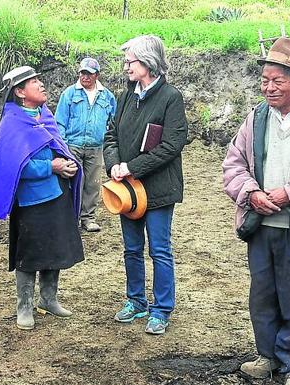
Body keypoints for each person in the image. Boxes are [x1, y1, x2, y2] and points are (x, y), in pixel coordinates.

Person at [223, 37, 290, 385]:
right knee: (263, 294)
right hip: (261, 224)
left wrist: (289, 194)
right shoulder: (256, 118)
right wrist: (251, 193)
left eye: (278, 81)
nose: (269, 88)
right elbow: (233, 165)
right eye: (265, 81)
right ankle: (268, 356)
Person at [0, 65, 84, 331]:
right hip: (30, 202)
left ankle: (49, 299)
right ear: (20, 92)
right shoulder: (12, 123)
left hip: (57, 194)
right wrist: (51, 167)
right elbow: (15, 166)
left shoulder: (45, 116)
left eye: (39, 79)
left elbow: (57, 148)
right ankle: (24, 306)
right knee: (29, 254)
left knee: (55, 248)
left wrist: (67, 164)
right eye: (33, 82)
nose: (41, 84)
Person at [103, 35, 188, 335]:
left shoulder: (170, 98)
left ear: (149, 63)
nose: (126, 66)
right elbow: (110, 135)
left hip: (159, 190)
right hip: (127, 190)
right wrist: (113, 164)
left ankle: (161, 308)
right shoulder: (125, 96)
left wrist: (132, 167)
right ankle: (136, 301)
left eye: (131, 61)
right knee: (131, 248)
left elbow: (171, 145)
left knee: (160, 250)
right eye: (126, 61)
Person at [55, 57, 116, 232]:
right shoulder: (69, 94)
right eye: (83, 73)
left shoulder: (107, 96)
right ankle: (71, 219)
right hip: (73, 146)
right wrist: (63, 146)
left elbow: (114, 122)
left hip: (96, 146)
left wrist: (108, 142)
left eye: (89, 74)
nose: (85, 77)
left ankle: (88, 218)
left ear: (97, 75)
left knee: (92, 184)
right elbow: (60, 122)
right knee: (73, 182)